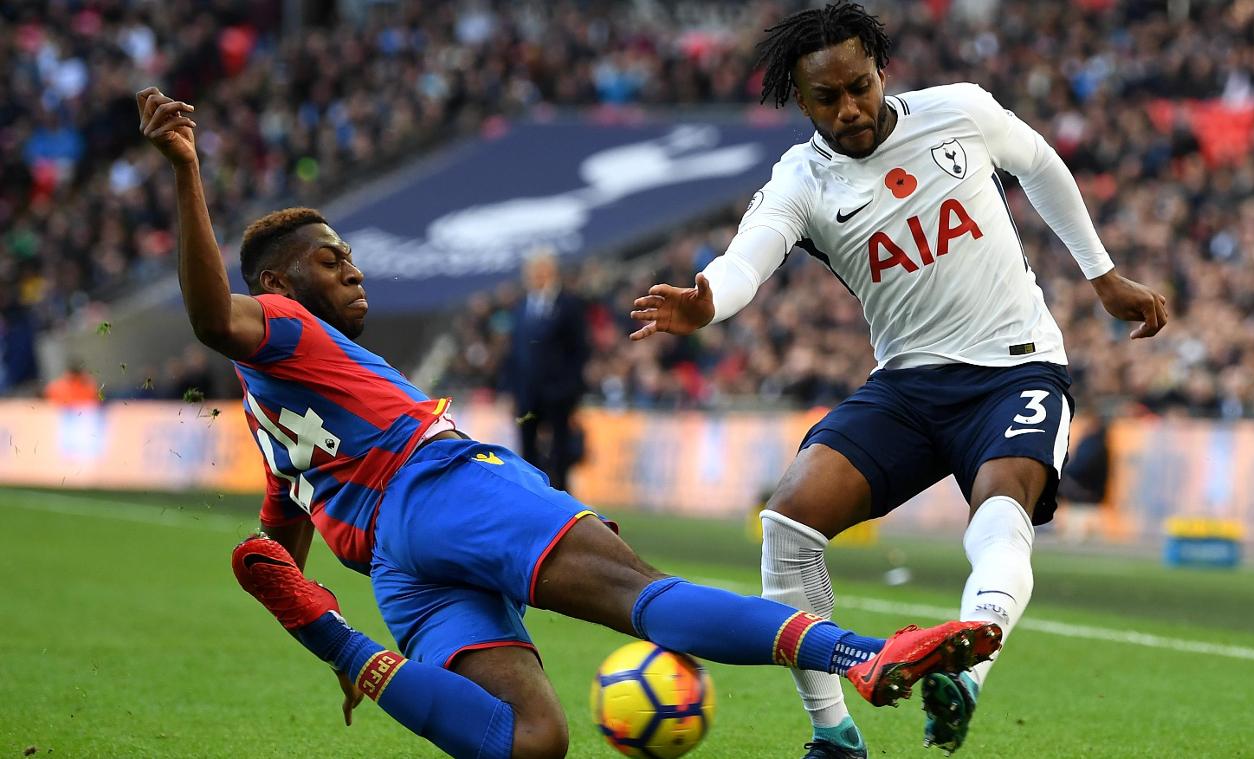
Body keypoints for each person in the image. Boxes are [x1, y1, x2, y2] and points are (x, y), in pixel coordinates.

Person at [137, 85, 1003, 759]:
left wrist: (298, 594)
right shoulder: (282, 324)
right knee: (645, 596)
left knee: (528, 741)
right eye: (333, 260)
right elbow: (217, 318)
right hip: (441, 486)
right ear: (280, 287)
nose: (354, 271)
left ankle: (334, 640)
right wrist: (185, 170)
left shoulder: (266, 402)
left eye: (353, 255)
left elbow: (279, 547)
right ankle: (865, 653)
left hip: (396, 568)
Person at [629, 3, 1169, 757]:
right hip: (910, 386)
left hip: (1016, 369)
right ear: (798, 97)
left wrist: (1103, 275)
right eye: (827, 97)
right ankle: (834, 735)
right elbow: (748, 258)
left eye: (860, 85)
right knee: (788, 524)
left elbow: (1039, 162)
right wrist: (709, 301)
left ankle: (966, 674)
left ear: (882, 70)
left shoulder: (961, 112)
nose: (849, 108)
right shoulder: (803, 180)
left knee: (1001, 505)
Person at [504, 248, 589, 491]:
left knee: (560, 452)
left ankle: (564, 508)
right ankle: (533, 502)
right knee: (527, 452)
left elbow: (580, 350)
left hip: (559, 394)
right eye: (532, 272)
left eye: (541, 271)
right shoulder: (521, 306)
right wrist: (511, 389)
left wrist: (571, 389)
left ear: (552, 272)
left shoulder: (569, 304)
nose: (536, 277)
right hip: (527, 394)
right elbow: (514, 352)